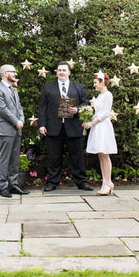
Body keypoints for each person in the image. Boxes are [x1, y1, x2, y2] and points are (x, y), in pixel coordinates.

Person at [38, 61, 92, 191]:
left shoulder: (79, 87)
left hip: (74, 127)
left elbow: (86, 103)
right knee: (53, 157)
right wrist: (42, 124)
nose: (61, 72)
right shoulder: (48, 87)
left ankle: (81, 182)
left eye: (64, 70)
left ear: (69, 72)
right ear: (56, 72)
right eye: (59, 70)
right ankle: (52, 182)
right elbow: (42, 107)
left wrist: (78, 109)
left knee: (77, 157)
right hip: (53, 128)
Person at [0, 64, 27, 198]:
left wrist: (22, 120)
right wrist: (16, 121)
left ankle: (14, 185)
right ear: (5, 74)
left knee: (15, 159)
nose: (15, 74)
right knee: (5, 159)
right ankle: (3, 187)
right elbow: (2, 109)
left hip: (17, 129)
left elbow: (19, 108)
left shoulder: (13, 89)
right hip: (6, 130)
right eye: (13, 72)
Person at [83, 71, 117, 195]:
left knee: (105, 154)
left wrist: (93, 123)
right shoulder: (100, 96)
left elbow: (105, 113)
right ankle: (106, 182)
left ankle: (107, 182)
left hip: (102, 126)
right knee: (101, 155)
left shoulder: (108, 95)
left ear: (102, 82)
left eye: (96, 83)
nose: (94, 85)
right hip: (97, 126)